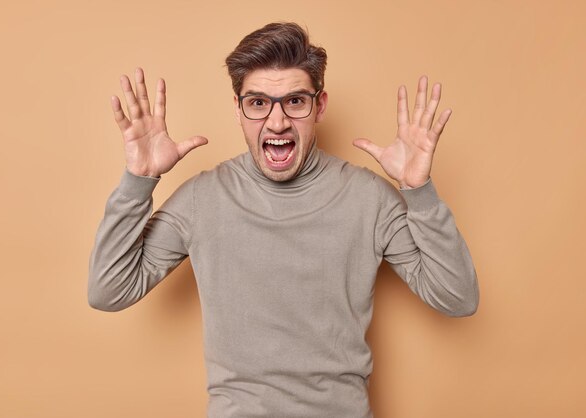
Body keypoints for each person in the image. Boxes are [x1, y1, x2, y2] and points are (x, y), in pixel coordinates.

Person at [89, 22, 478, 418]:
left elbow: (458, 298)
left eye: (294, 101)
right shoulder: (202, 199)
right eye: (258, 103)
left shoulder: (369, 198)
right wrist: (139, 181)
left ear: (319, 106)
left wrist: (419, 190)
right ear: (238, 109)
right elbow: (109, 290)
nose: (277, 123)